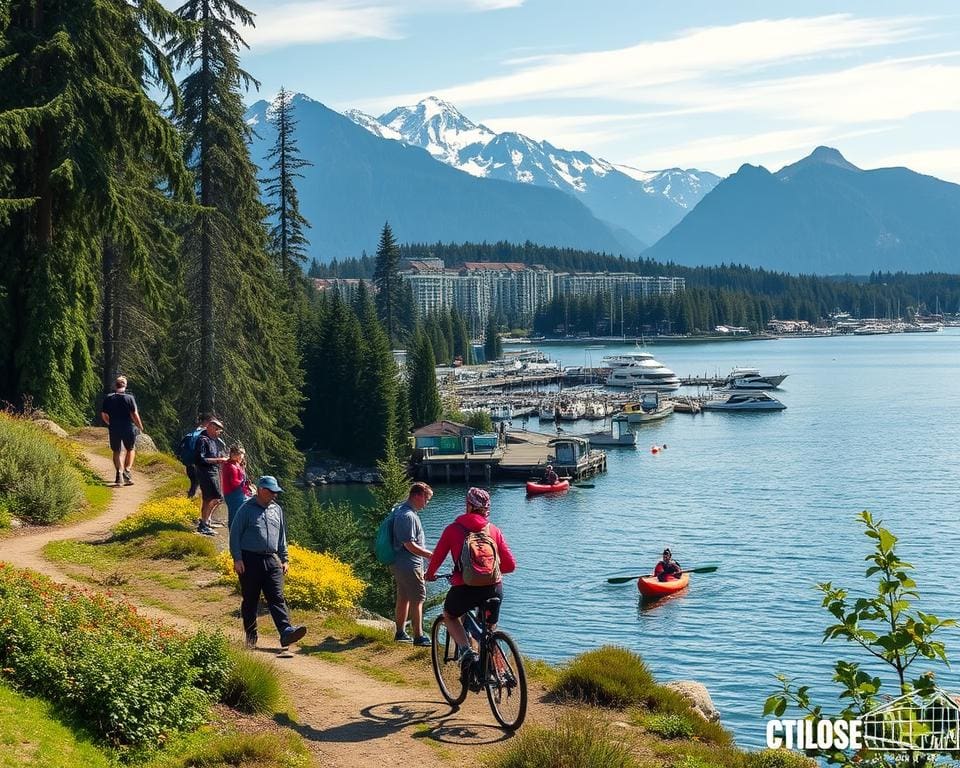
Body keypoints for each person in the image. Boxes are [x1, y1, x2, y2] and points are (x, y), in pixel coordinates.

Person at [425, 487, 516, 678]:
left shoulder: (453, 529)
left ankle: (467, 652)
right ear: (486, 509)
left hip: (465, 588)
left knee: (449, 614)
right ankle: (496, 671)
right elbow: (510, 565)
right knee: (489, 630)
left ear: (468, 505)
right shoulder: (493, 530)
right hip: (494, 588)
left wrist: (429, 574)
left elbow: (437, 559)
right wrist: (489, 572)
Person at [229, 476, 307, 650]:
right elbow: (234, 535)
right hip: (249, 560)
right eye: (272, 492)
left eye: (276, 492)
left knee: (277, 597)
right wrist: (237, 558)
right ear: (261, 490)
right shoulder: (245, 509)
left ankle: (286, 632)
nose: (275, 495)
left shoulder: (276, 509)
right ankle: (251, 636)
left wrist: (284, 558)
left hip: (272, 559)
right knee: (250, 600)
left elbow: (282, 536)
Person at [389, 482, 434, 646]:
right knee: (418, 598)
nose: (426, 503)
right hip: (409, 564)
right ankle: (418, 636)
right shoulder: (407, 516)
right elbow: (409, 544)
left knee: (404, 597)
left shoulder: (402, 511)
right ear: (417, 495)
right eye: (426, 499)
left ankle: (400, 633)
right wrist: (430, 555)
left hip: (401, 563)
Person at [100, 375, 144, 487]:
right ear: (125, 385)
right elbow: (134, 414)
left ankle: (119, 474)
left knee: (116, 451)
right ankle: (127, 471)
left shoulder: (108, 398)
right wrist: (140, 426)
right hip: (127, 427)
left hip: (114, 427)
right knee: (130, 449)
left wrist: (110, 423)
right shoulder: (129, 398)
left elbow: (104, 414)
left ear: (116, 386)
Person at [195, 417, 228, 536]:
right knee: (214, 497)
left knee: (208, 498)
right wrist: (219, 460)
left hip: (212, 471)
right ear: (209, 427)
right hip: (206, 472)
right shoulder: (202, 440)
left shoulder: (212, 440)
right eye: (216, 429)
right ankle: (204, 524)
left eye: (220, 430)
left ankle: (206, 521)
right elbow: (201, 459)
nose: (218, 432)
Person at [222, 444, 254, 529]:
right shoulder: (232, 466)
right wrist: (244, 482)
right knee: (235, 515)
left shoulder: (233, 464)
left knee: (235, 513)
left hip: (234, 493)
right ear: (237, 455)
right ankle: (234, 532)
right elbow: (234, 483)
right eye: (242, 454)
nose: (243, 456)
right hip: (234, 494)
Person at [183, 415, 210, 499]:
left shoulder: (194, 431)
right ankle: (190, 505)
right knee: (198, 487)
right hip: (199, 464)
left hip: (189, 462)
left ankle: (189, 501)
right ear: (206, 422)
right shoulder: (205, 432)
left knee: (193, 484)